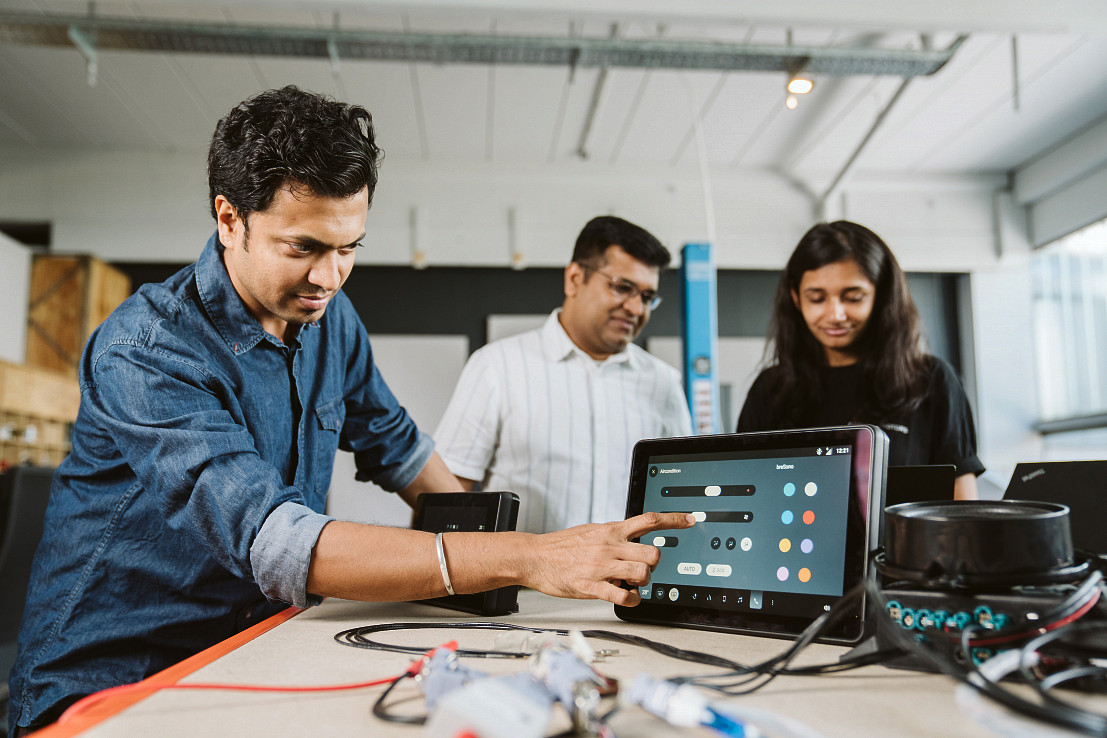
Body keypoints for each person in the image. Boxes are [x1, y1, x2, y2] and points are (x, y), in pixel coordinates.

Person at [7, 87, 693, 735]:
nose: (328, 277)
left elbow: (397, 444)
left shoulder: (328, 319)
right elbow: (276, 540)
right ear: (228, 219)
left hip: (250, 649)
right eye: (302, 247)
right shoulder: (148, 349)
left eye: (348, 248)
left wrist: (493, 589)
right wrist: (524, 555)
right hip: (112, 682)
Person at [434, 216, 693, 534]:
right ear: (574, 279)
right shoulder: (496, 367)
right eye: (622, 288)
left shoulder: (664, 384)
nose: (636, 309)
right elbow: (447, 497)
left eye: (647, 297)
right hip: (523, 585)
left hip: (631, 583)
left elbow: (683, 498)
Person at [736, 220, 984, 500]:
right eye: (816, 298)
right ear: (796, 297)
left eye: (853, 298)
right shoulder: (770, 390)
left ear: (881, 296)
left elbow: (962, 505)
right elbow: (747, 497)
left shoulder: (932, 380)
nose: (835, 314)